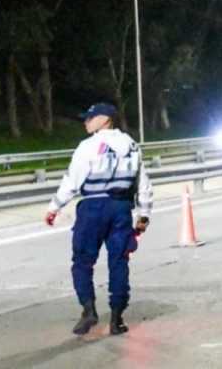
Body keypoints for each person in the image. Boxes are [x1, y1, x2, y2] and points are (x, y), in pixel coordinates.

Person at [45, 103, 152, 336]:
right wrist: (143, 215)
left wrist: (54, 207)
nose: (86, 122)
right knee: (119, 262)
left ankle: (88, 310)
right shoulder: (132, 146)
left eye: (90, 118)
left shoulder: (88, 146)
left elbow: (72, 182)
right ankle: (116, 319)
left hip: (92, 208)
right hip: (121, 209)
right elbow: (142, 183)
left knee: (82, 262)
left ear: (105, 119)